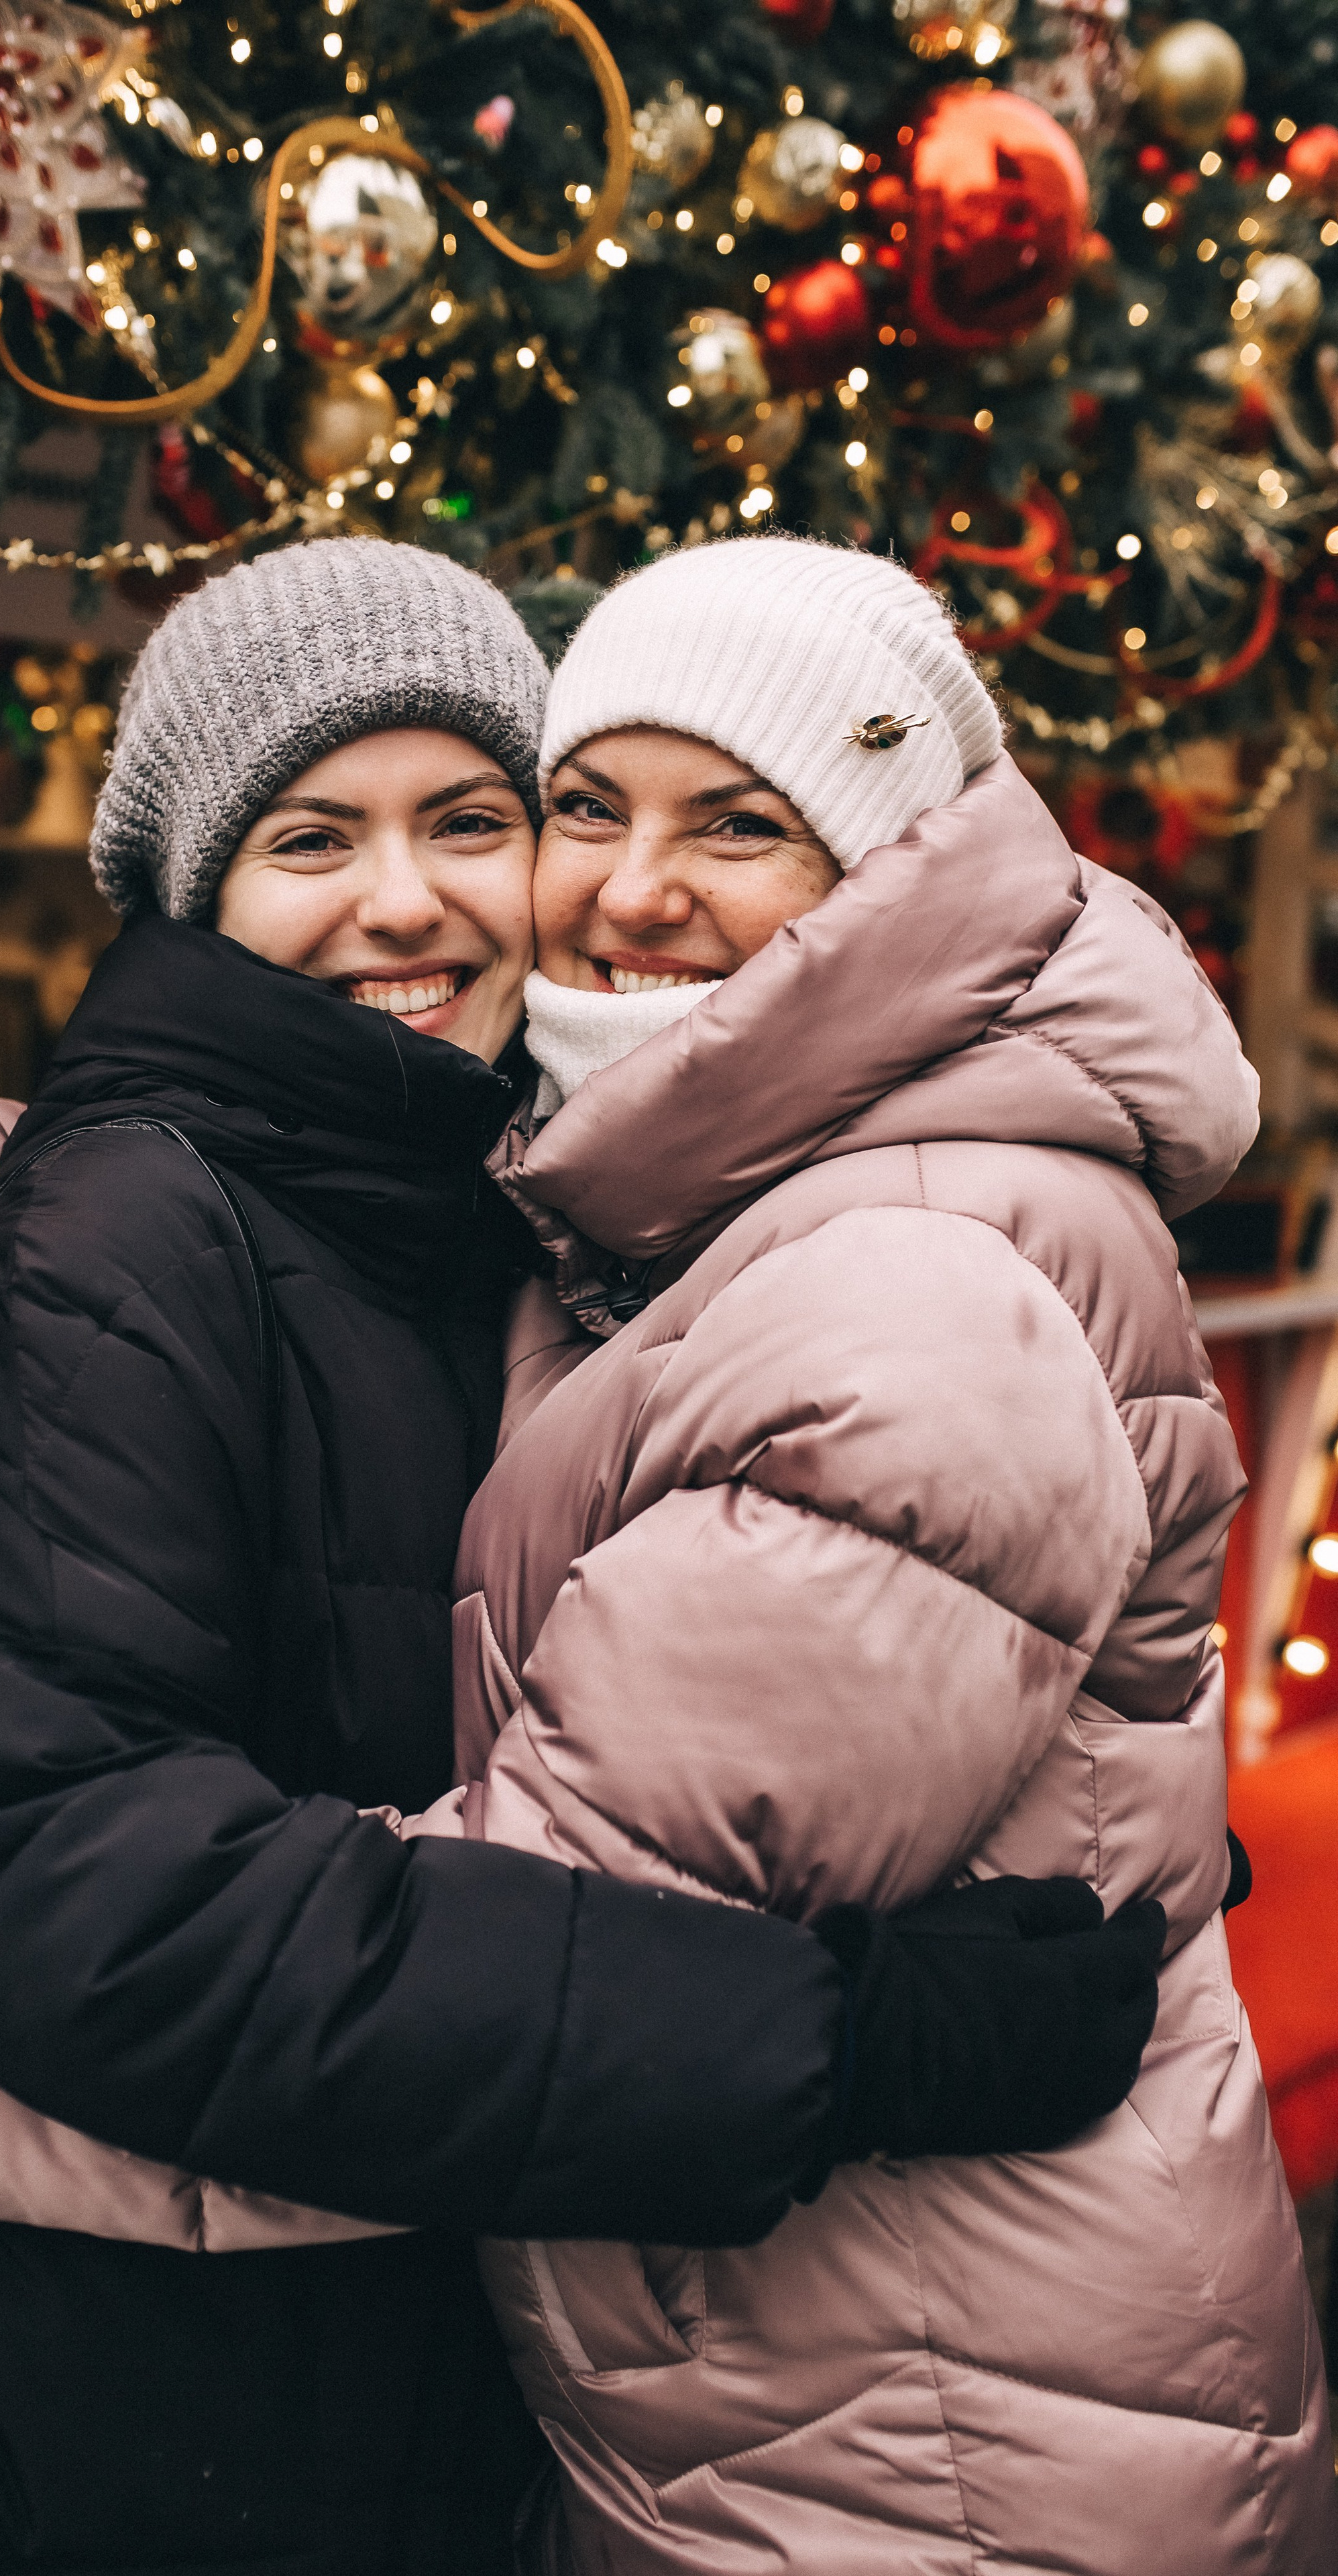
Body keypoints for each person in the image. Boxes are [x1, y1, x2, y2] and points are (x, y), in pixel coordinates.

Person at [0, 538, 1167, 2576]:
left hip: (329, 2326)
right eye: (312, 835)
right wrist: (844, 2040)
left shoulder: (492, 1200)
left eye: (473, 819)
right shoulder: (124, 1231)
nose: (406, 901)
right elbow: (76, 1880)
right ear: (193, 892)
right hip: (61, 2378)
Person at [443, 537, 1335, 2572]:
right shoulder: (694, 1189)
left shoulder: (914, 1286)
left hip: (922, 2448)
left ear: (883, 874)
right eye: (590, 805)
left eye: (736, 825)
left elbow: (535, 1980)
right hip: (825, 2394)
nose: (630, 887)